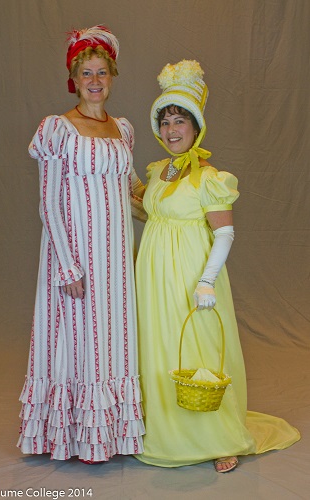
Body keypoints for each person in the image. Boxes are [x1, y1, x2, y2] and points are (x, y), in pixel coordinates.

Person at [134, 59, 300, 471]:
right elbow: (151, 214)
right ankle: (164, 430)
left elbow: (224, 233)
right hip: (153, 274)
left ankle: (218, 438)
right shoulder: (158, 172)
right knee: (159, 347)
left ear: (196, 128)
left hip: (191, 272)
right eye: (166, 121)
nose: (172, 130)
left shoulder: (208, 176)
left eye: (180, 121)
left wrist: (206, 280)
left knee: (200, 348)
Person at [17, 24, 146, 462]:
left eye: (102, 73)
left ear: (112, 77)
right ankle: (70, 438)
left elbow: (132, 194)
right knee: (76, 343)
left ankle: (110, 434)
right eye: (87, 73)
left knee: (113, 342)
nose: (95, 80)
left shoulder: (123, 130)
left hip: (116, 262)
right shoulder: (58, 129)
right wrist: (68, 266)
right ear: (75, 78)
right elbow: (48, 204)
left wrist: (175, 203)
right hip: (76, 258)